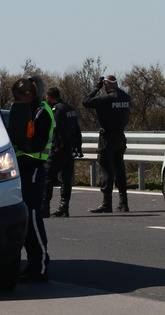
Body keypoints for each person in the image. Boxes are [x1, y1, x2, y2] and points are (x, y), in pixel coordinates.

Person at [11, 76, 54, 283]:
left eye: (18, 98)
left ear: (28, 95)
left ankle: (41, 265)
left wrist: (19, 143)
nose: (16, 102)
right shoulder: (30, 110)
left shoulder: (42, 112)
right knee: (25, 219)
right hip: (22, 168)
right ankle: (33, 264)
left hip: (34, 168)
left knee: (33, 218)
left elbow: (37, 142)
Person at [82, 74, 132, 213]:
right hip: (120, 136)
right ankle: (123, 203)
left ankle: (106, 203)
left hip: (107, 137)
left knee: (106, 170)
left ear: (106, 84)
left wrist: (96, 88)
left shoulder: (105, 99)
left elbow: (86, 102)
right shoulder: (126, 98)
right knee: (120, 169)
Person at [44, 87, 82, 217]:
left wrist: (60, 146)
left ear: (49, 97)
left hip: (59, 149)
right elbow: (77, 129)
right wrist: (77, 146)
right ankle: (64, 207)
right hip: (70, 149)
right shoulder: (70, 108)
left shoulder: (57, 110)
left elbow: (59, 131)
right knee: (66, 179)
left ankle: (45, 207)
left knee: (47, 177)